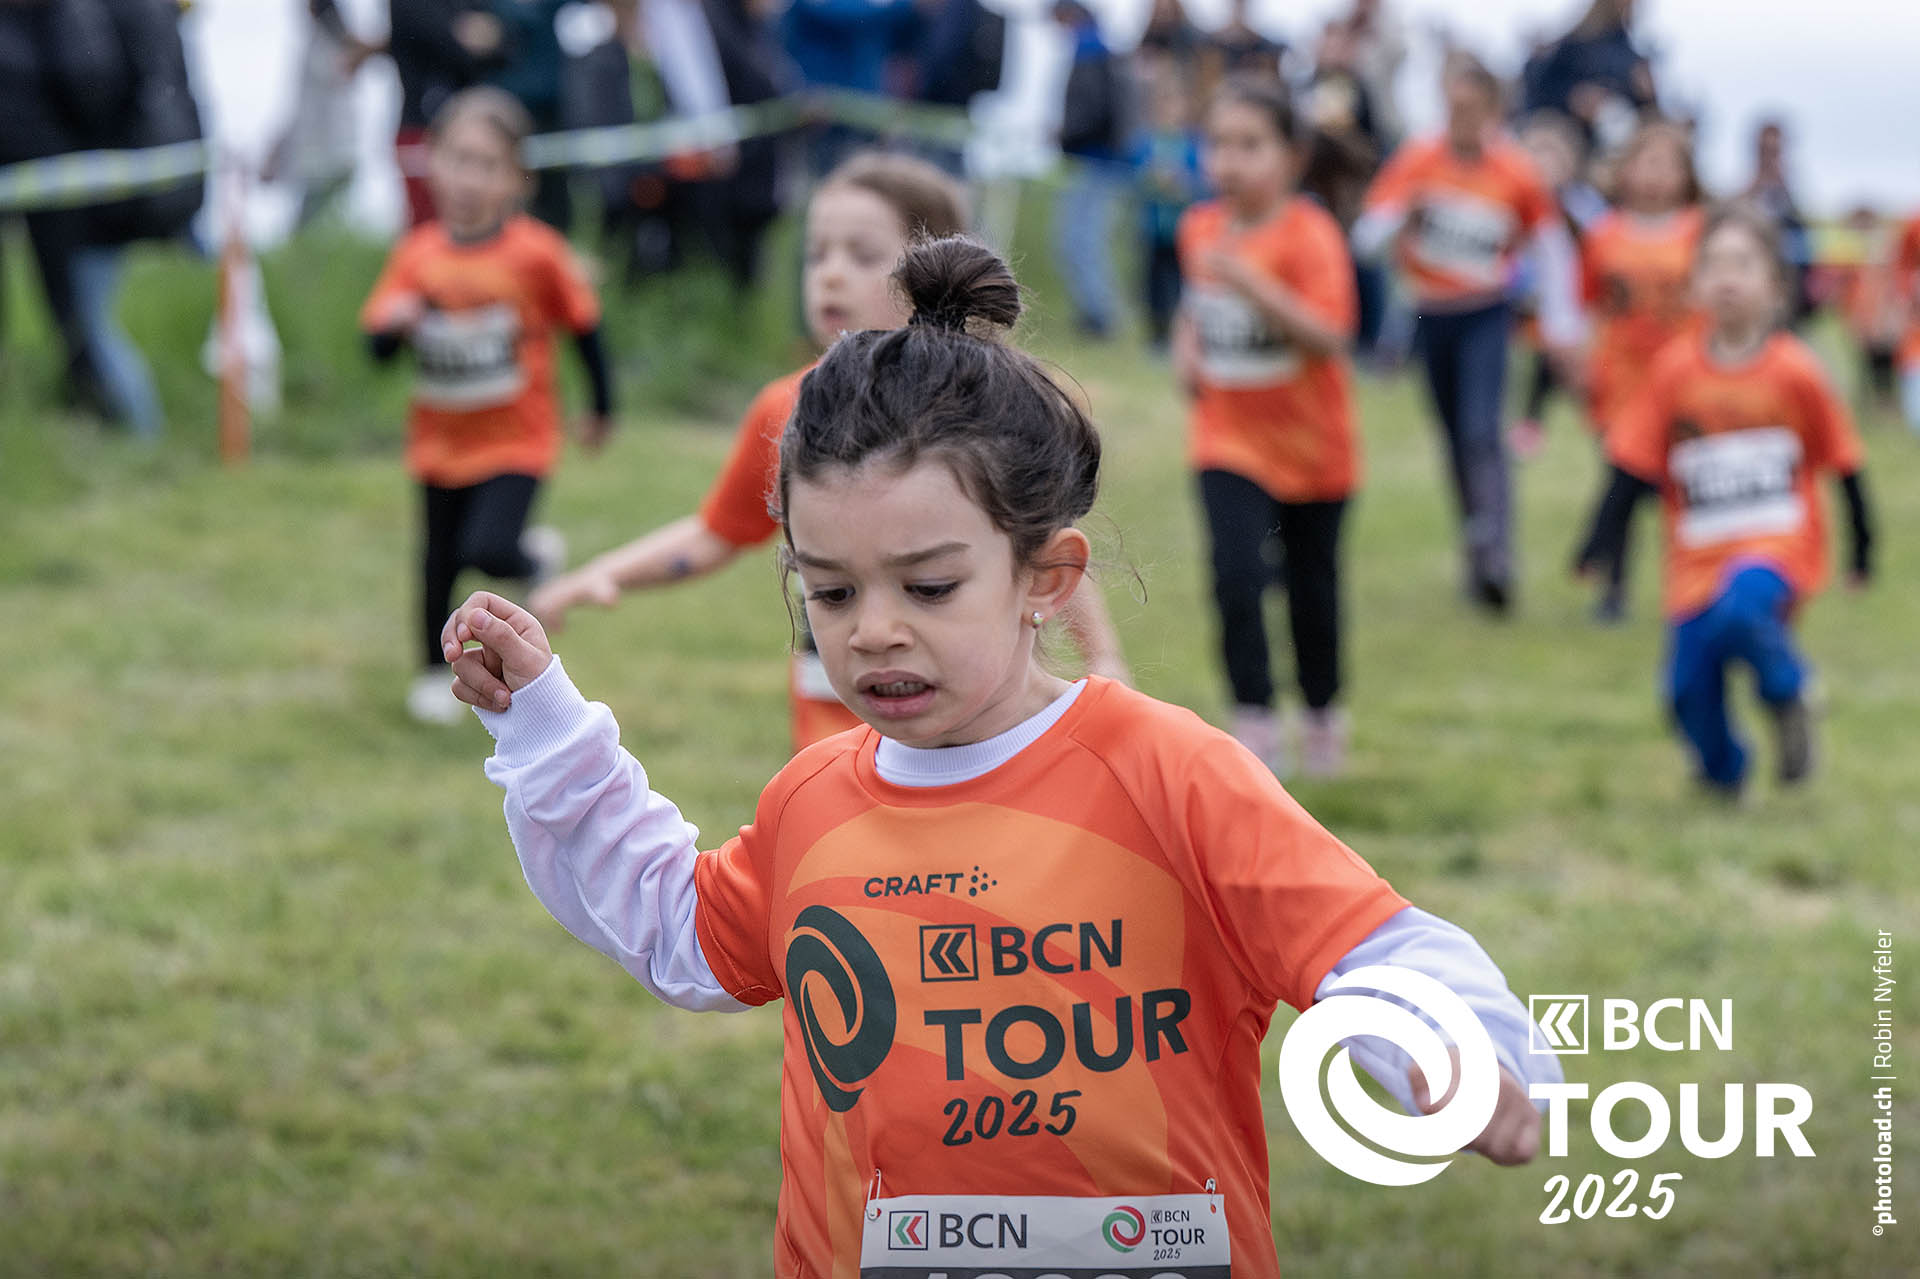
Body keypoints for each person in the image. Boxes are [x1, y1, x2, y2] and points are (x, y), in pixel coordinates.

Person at [444, 233, 1559, 1278]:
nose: (874, 630)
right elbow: (676, 926)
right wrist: (547, 727)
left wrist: (1459, 1050)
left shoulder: (1168, 771)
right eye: (830, 591)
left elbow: (1370, 945)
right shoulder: (810, 802)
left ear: (1046, 577)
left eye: (929, 586)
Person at [531, 151, 1128, 752]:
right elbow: (715, 534)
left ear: (937, 266)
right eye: (816, 254)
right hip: (836, 748)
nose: (831, 275)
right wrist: (602, 574)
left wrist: (1103, 658)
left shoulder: (982, 406)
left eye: (863, 256)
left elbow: (1041, 545)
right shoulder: (787, 409)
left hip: (974, 740)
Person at [1575, 205, 1874, 795]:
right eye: (1712, 265)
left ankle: (1788, 692)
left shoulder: (1796, 372)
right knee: (1686, 690)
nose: (1727, 278)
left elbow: (1846, 462)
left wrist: (1863, 547)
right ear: (1693, 285)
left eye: (1743, 264)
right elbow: (1630, 464)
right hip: (1695, 561)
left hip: (1776, 549)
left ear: (1776, 286)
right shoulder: (1674, 371)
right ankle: (1725, 773)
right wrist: (1597, 542)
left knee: (1741, 610)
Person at [360, 87, 615, 724]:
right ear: (432, 165)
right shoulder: (417, 254)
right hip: (439, 441)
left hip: (516, 439)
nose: (469, 179)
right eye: (457, 160)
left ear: (517, 179)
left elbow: (585, 328)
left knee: (489, 549)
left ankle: (532, 558)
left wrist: (602, 406)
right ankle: (430, 673)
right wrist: (397, 323)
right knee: (436, 561)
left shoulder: (536, 254)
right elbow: (377, 348)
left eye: (487, 165)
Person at [1174, 79, 1360, 778]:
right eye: (1218, 144)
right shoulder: (1200, 228)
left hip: (1314, 450)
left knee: (1313, 591)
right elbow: (1194, 305)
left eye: (1250, 145)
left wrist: (1256, 288)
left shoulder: (1310, 233)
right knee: (1236, 576)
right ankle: (1253, 721)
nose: (1229, 161)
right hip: (1227, 439)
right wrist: (1186, 345)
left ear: (1292, 157)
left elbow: (1331, 335)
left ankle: (1321, 713)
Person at [1354, 55, 1583, 614]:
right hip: (1430, 314)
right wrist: (1403, 216)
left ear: (1492, 110)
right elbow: (1366, 240)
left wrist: (1561, 324)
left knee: (1483, 432)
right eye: (1453, 107)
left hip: (1486, 312)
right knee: (1454, 435)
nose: (1462, 119)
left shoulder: (1514, 171)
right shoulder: (1418, 159)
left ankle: (1496, 555)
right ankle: (1475, 543)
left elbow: (1552, 248)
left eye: (1473, 109)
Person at [1575, 119, 1704, 621]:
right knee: (1622, 478)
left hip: (1682, 382)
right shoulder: (1605, 235)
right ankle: (1612, 586)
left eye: (1667, 165)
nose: (1654, 176)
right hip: (1622, 381)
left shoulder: (1699, 232)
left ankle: (1691, 581)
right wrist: (1584, 364)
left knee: (1680, 488)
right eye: (1645, 163)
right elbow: (1590, 305)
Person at [387, 0, 506, 226]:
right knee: (429, 227)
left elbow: (507, 46)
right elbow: (448, 44)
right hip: (422, 129)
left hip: (472, 124)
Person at [1051, 0, 1130, 339]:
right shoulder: (1103, 49)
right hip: (1099, 160)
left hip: (1093, 160)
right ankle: (1096, 314)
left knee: (1081, 241)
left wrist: (1066, 133)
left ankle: (1100, 317)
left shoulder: (1088, 50)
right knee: (1083, 241)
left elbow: (1091, 111)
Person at [1131, 59, 1203, 350]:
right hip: (1153, 228)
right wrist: (1152, 179)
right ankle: (1156, 334)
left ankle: (1179, 334)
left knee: (1179, 284)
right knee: (1152, 284)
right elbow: (1134, 179)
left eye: (1176, 105)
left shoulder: (1193, 145)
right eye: (1165, 104)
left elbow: (1202, 184)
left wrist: (1182, 184)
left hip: (1181, 231)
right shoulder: (1146, 142)